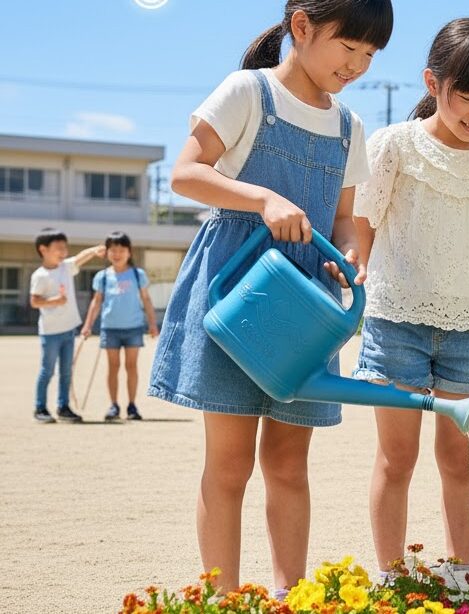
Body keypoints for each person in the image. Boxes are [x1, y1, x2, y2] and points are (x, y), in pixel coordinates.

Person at [146, 0, 392, 594]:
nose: (357, 65)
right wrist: (262, 199)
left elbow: (343, 219)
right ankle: (223, 600)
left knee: (287, 462)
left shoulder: (349, 126)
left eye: (370, 54)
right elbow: (185, 173)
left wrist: (351, 256)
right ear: (301, 26)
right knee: (229, 465)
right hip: (237, 295)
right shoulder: (247, 92)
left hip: (306, 303)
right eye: (349, 47)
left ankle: (290, 596)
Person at [351, 17, 469, 585]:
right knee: (396, 457)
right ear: (433, 83)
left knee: (459, 458)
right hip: (395, 321)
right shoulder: (394, 146)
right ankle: (391, 575)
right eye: (468, 96)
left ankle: (460, 572)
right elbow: (365, 225)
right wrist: (366, 282)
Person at [81, 231, 159, 421]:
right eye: (113, 250)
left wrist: (152, 324)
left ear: (129, 252)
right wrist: (87, 325)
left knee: (131, 366)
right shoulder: (102, 276)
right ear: (107, 252)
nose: (117, 254)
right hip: (110, 328)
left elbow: (146, 299)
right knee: (113, 367)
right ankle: (114, 405)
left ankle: (132, 406)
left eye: (121, 250)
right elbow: (96, 302)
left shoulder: (137, 274)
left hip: (133, 327)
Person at [30, 228, 105, 423]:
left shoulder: (65, 267)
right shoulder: (40, 275)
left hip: (68, 329)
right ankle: (40, 407)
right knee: (47, 371)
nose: (64, 251)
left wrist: (94, 250)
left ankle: (63, 407)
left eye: (65, 247)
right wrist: (55, 300)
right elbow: (35, 301)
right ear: (43, 249)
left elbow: (80, 258)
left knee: (66, 372)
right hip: (50, 332)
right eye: (59, 248)